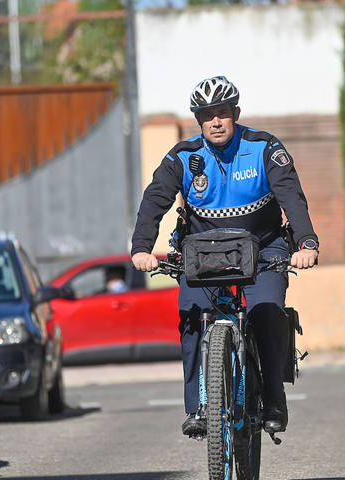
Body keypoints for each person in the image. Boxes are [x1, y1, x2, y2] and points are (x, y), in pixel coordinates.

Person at [131, 75, 318, 436]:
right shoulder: (183, 157)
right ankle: (199, 408)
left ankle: (274, 397)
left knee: (265, 313)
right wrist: (141, 248)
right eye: (206, 115)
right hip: (200, 253)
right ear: (197, 121)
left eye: (222, 113)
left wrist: (306, 243)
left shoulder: (264, 148)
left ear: (235, 113)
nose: (215, 122)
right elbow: (154, 201)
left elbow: (291, 197)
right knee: (191, 322)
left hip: (264, 249)